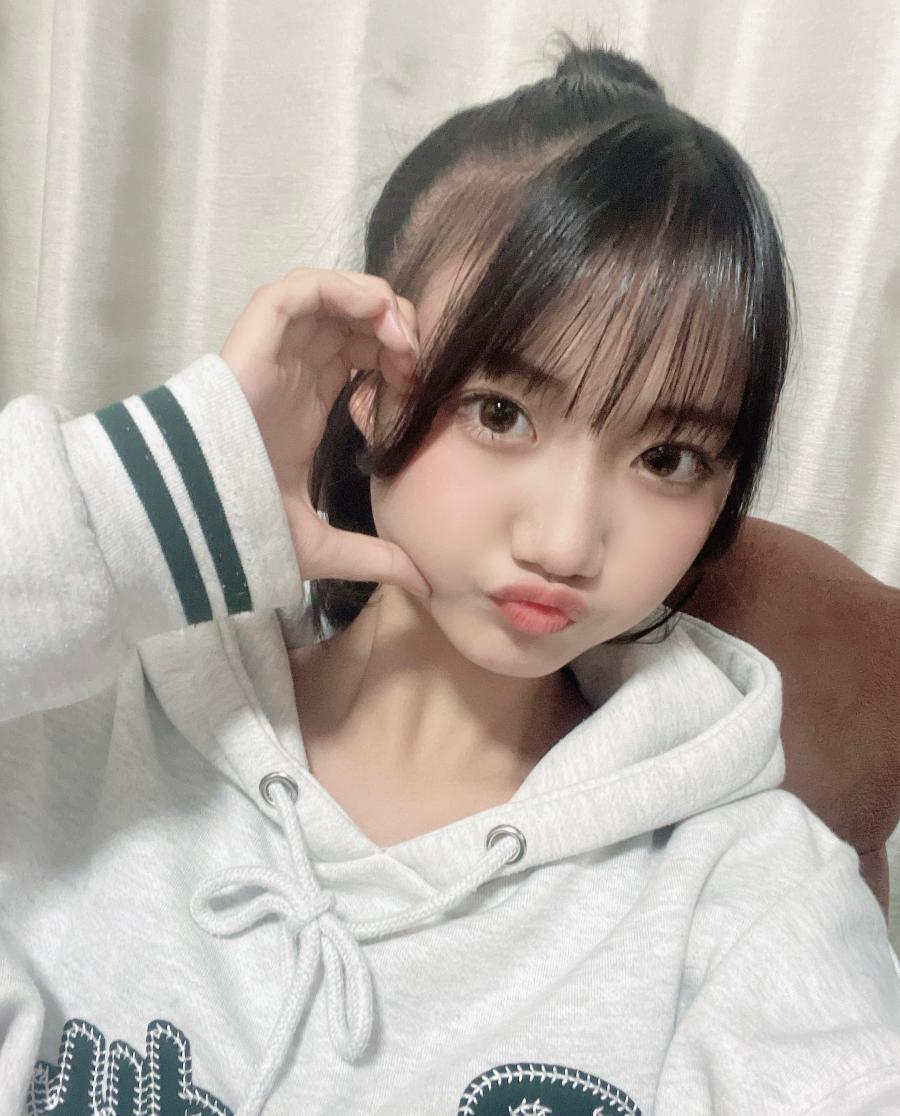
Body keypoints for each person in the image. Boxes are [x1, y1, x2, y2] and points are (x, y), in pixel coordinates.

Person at [1, 32, 899, 1116]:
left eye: (668, 458)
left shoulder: (746, 894)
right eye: (500, 412)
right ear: (367, 384)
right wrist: (169, 491)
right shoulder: (83, 716)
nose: (565, 543)